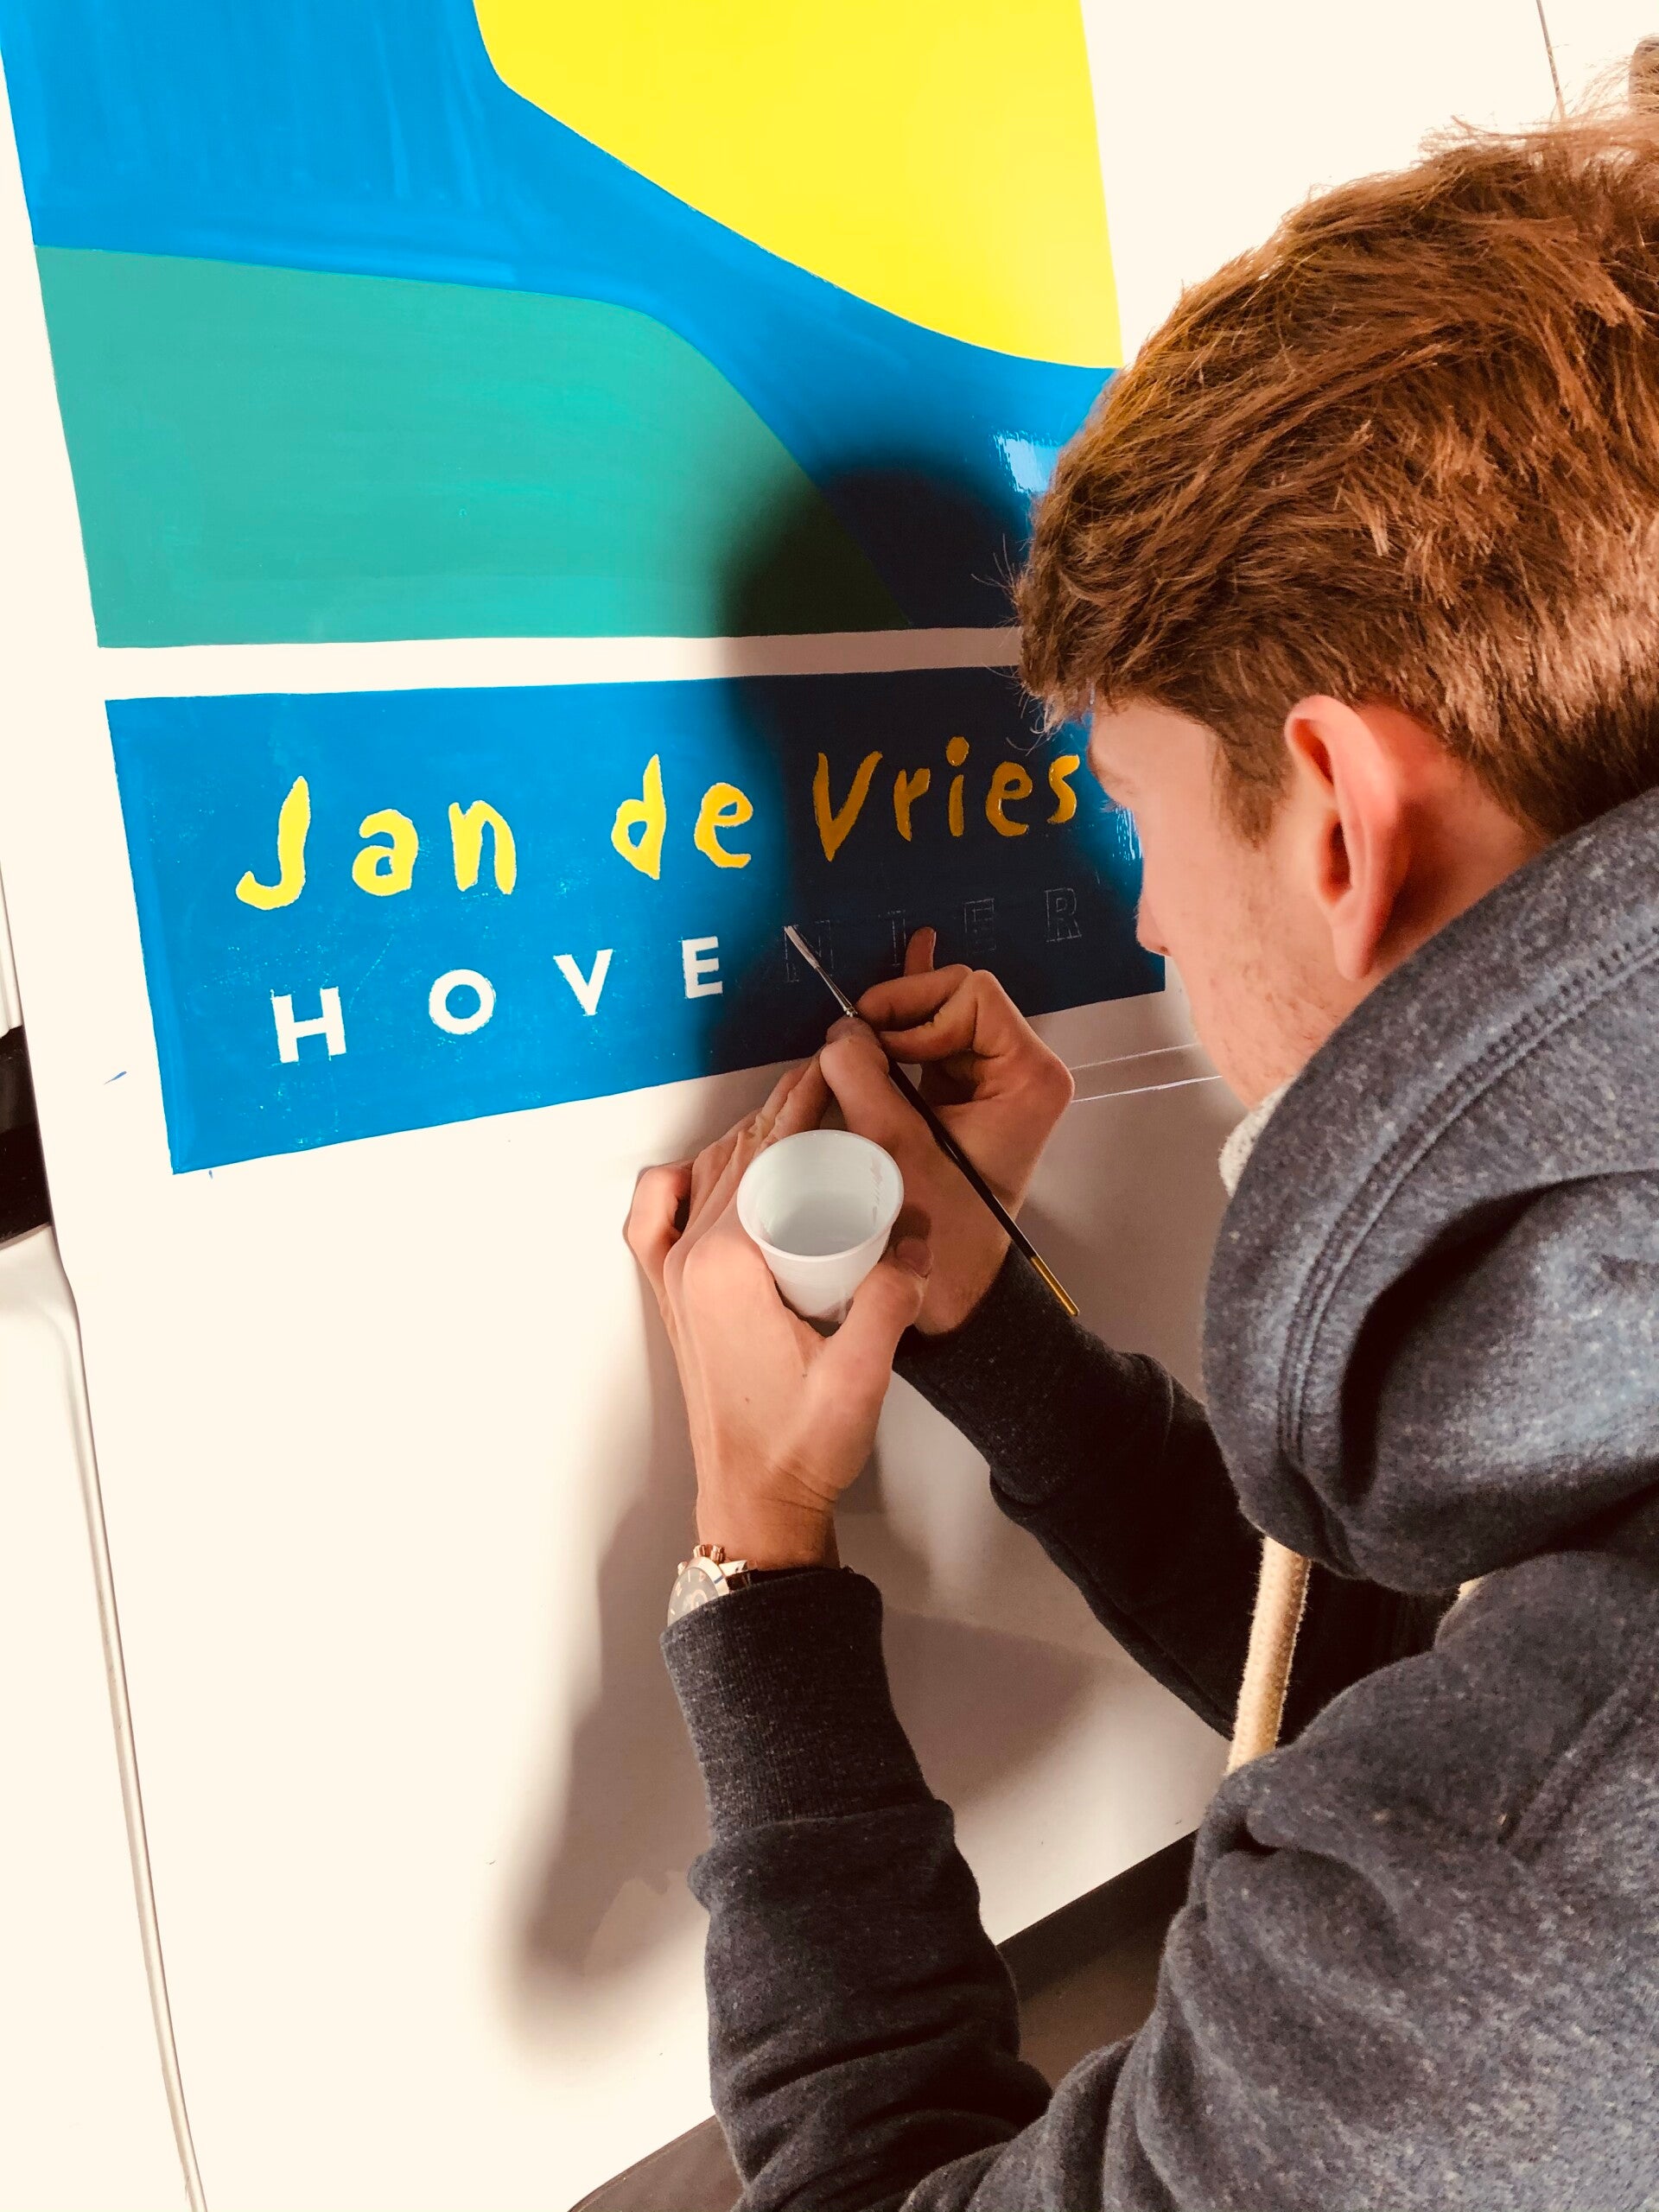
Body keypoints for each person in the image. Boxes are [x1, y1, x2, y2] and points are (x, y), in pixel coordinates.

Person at [625, 108, 1659, 2211]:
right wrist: (994, 1326)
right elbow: (1451, 1681)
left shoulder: (1525, 1907)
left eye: (1142, 822)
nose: (1158, 922)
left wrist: (758, 1553)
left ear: (1345, 816)